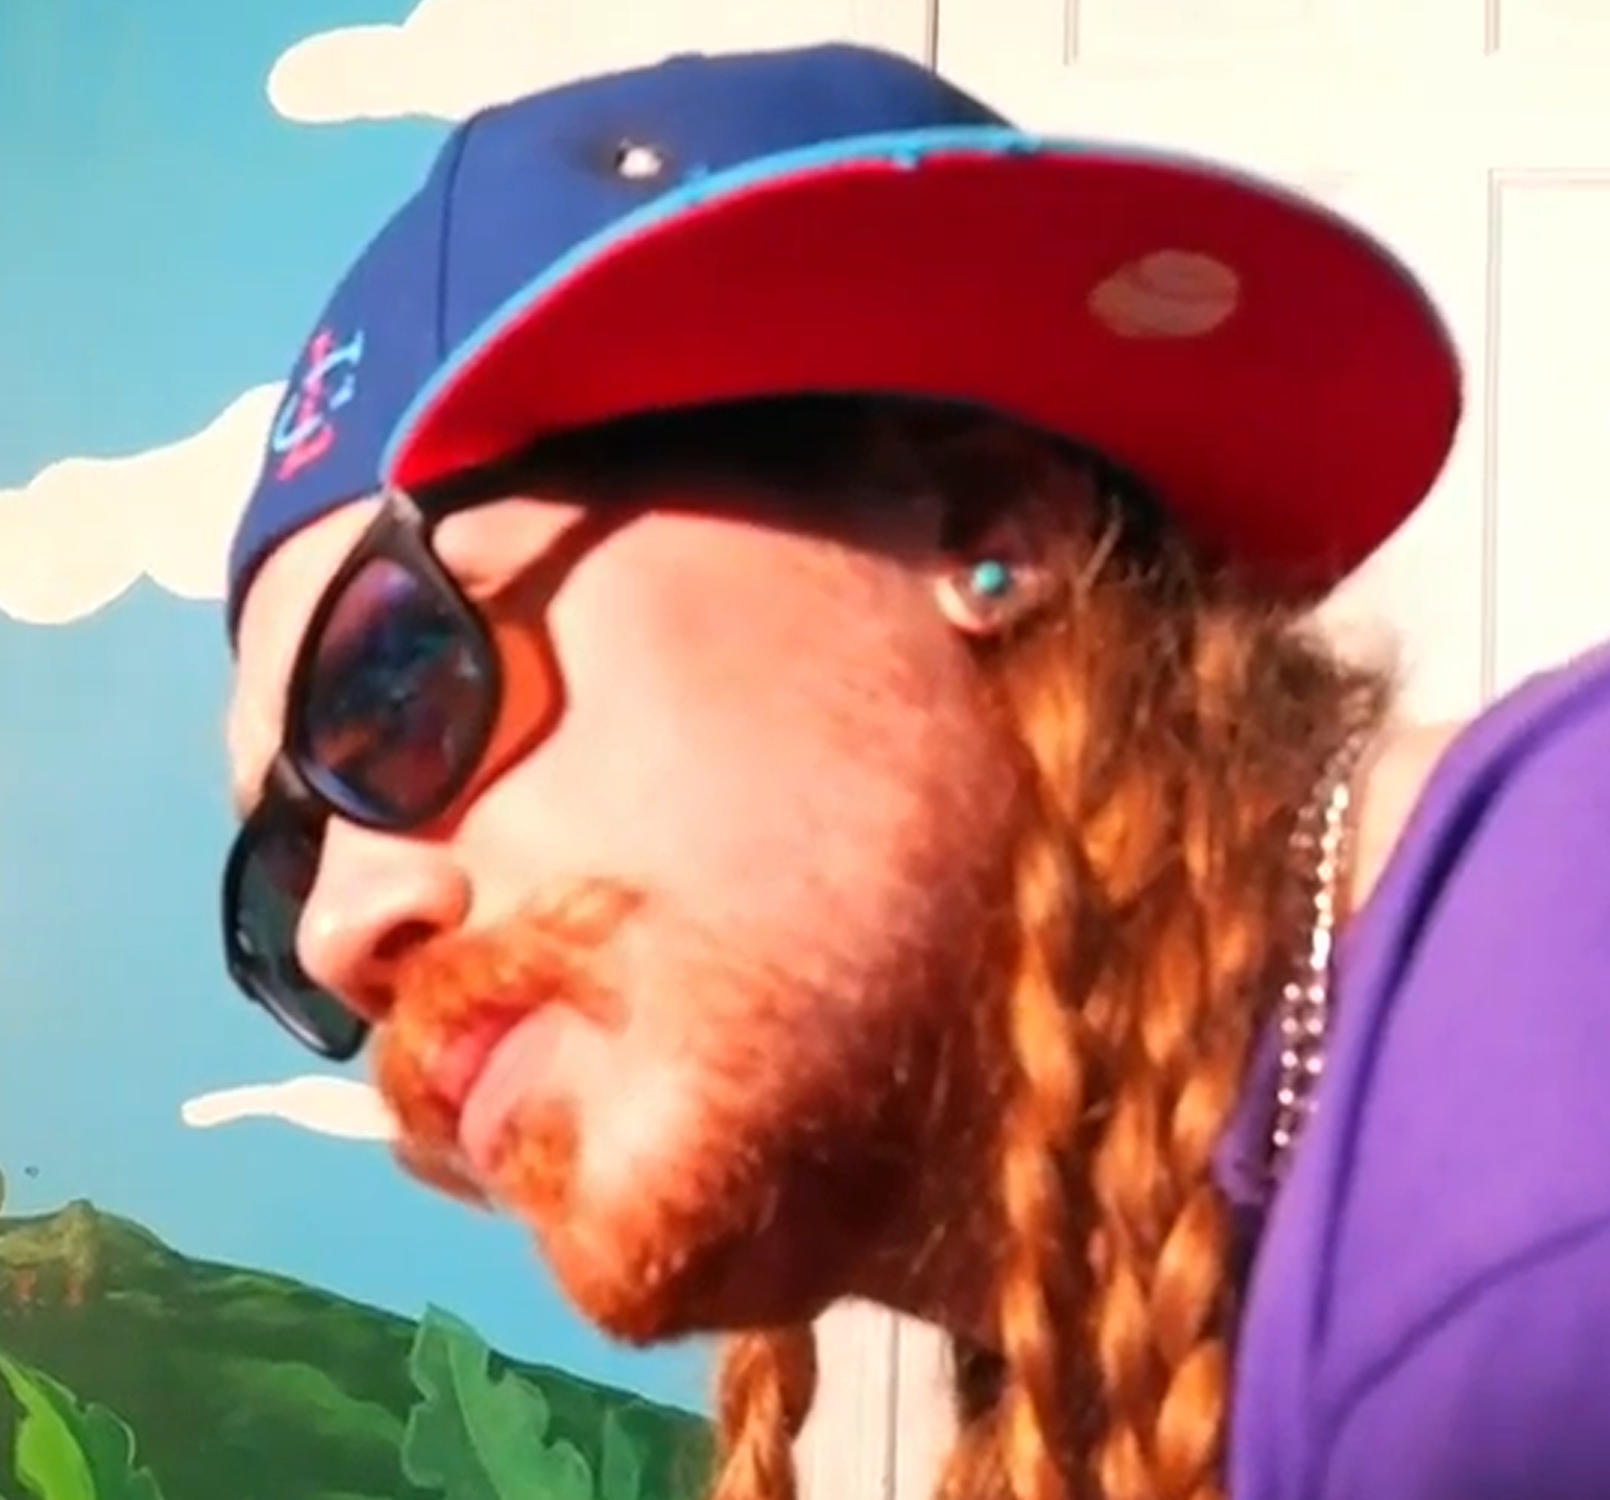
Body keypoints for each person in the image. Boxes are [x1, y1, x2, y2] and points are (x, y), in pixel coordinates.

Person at [216, 40, 1610, 1500]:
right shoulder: (1265, 1281)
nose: (338, 932)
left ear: (988, 522)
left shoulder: (1529, 1252)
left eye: (392, 681)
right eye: (284, 867)